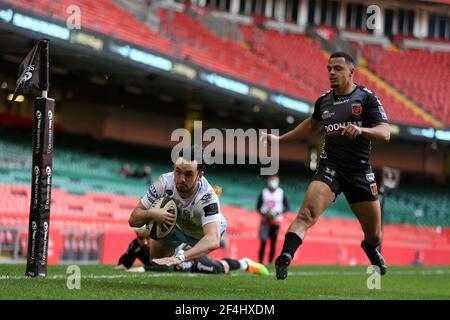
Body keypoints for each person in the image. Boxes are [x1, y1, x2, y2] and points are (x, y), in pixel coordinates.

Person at [262, 52, 390, 280]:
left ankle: (370, 248)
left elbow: (385, 132)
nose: (332, 72)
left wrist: (362, 130)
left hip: (360, 173)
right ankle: (286, 256)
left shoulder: (366, 98)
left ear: (352, 71)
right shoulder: (324, 102)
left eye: (338, 68)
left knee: (374, 235)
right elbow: (310, 126)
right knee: (306, 214)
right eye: (329, 68)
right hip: (330, 168)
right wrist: (281, 139)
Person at [128, 145, 227, 268]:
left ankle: (187, 254)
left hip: (201, 232)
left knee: (201, 258)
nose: (182, 179)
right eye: (178, 171)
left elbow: (212, 239)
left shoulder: (207, 197)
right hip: (177, 227)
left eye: (189, 174)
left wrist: (181, 257)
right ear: (173, 168)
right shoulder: (163, 182)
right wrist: (152, 213)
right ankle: (182, 251)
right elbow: (133, 220)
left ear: (200, 175)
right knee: (156, 263)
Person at [120, 242, 269, 276]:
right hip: (182, 263)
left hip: (191, 261)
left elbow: (168, 266)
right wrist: (122, 264)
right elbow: (130, 254)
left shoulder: (161, 242)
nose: (145, 242)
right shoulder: (138, 245)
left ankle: (245, 263)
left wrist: (145, 268)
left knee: (219, 269)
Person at [256, 175, 290, 264]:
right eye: (271, 180)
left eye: (275, 180)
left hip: (276, 222)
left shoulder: (281, 193)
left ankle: (270, 262)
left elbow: (287, 207)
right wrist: (264, 213)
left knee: (273, 243)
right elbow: (258, 207)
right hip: (265, 221)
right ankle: (261, 262)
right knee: (263, 242)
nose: (273, 182)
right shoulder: (264, 192)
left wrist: (277, 213)